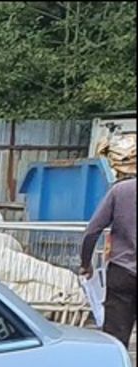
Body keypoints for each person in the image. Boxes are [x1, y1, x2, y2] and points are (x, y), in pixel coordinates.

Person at [79, 133, 135, 349]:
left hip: (122, 273)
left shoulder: (119, 191)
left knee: (116, 339)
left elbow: (92, 231)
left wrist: (86, 264)